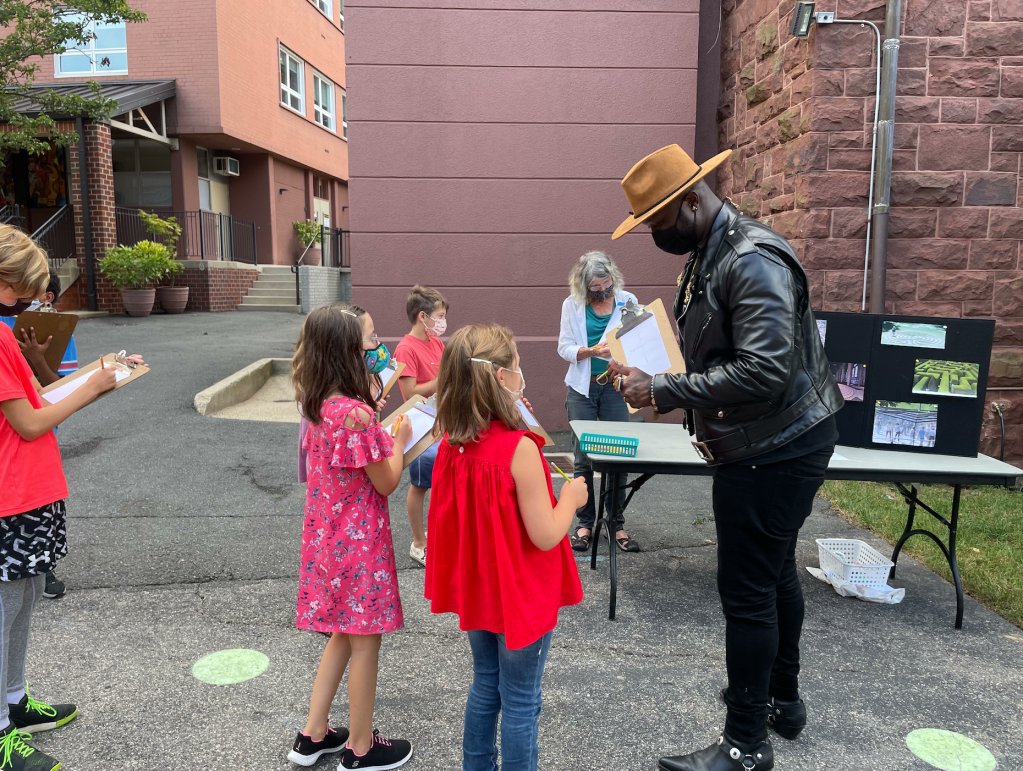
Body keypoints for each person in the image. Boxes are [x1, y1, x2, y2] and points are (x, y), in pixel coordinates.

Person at [608, 145, 843, 771]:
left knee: (746, 592)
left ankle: (745, 743)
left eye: (658, 225)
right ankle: (780, 701)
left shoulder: (750, 259)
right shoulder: (711, 251)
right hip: (771, 439)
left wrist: (661, 389)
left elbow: (764, 370)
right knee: (774, 573)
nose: (656, 238)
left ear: (690, 202)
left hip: (773, 446)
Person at [424, 323, 587, 771]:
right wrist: (572, 498)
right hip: (520, 595)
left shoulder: (452, 446)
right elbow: (546, 534)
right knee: (520, 699)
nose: (521, 373)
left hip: (481, 591)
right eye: (516, 365)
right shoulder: (519, 451)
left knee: (485, 685)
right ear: (499, 377)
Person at [0, 224, 118, 771]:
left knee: (22, 601)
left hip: (28, 491)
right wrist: (92, 389)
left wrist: (99, 374)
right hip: (10, 493)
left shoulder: (5, 334)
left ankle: (15, 702)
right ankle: (0, 733)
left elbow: (39, 395)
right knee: (5, 609)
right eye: (19, 286)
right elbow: (28, 423)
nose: (25, 297)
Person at [288, 304, 414, 771]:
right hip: (360, 545)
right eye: (369, 339)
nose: (376, 347)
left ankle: (312, 734)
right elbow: (385, 481)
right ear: (347, 352)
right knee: (365, 641)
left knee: (342, 632)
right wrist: (398, 442)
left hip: (326, 542)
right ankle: (361, 748)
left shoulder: (319, 405)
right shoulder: (358, 416)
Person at [557, 251, 641, 553]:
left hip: (616, 387)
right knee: (583, 458)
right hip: (582, 388)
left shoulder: (627, 300)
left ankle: (616, 524)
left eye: (606, 284)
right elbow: (564, 348)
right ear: (583, 285)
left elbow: (641, 339)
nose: (603, 291)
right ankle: (585, 523)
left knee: (620, 456)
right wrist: (592, 351)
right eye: (595, 288)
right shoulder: (572, 305)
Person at [1, 272, 79, 600]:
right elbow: (28, 423)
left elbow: (52, 388)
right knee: (12, 601)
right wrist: (95, 385)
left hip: (35, 458)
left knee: (22, 592)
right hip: (15, 475)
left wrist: (35, 359)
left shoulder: (56, 330)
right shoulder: (4, 333)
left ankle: (44, 569)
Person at [393, 284, 449, 567]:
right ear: (422, 316)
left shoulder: (436, 342)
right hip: (420, 427)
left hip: (442, 423)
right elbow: (410, 393)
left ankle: (436, 536)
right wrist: (443, 379)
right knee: (420, 485)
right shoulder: (405, 348)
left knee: (443, 481)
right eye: (439, 316)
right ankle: (418, 542)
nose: (442, 322)